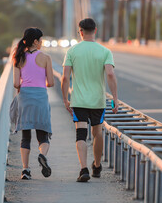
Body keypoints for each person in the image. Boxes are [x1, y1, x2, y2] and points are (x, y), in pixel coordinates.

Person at [61, 18, 119, 182]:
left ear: (80, 31)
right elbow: (110, 74)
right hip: (97, 101)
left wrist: (66, 99)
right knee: (97, 132)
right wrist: (115, 98)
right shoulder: (105, 51)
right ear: (95, 30)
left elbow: (65, 78)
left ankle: (83, 168)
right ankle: (97, 166)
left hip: (78, 100)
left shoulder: (72, 51)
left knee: (81, 133)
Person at [13, 27, 55, 180]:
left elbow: (16, 83)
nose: (42, 43)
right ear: (36, 41)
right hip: (40, 98)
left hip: (25, 97)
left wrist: (26, 82)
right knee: (43, 135)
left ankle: (25, 170)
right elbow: (50, 82)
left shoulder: (18, 58)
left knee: (25, 137)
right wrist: (40, 81)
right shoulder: (46, 58)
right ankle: (42, 155)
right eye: (41, 40)